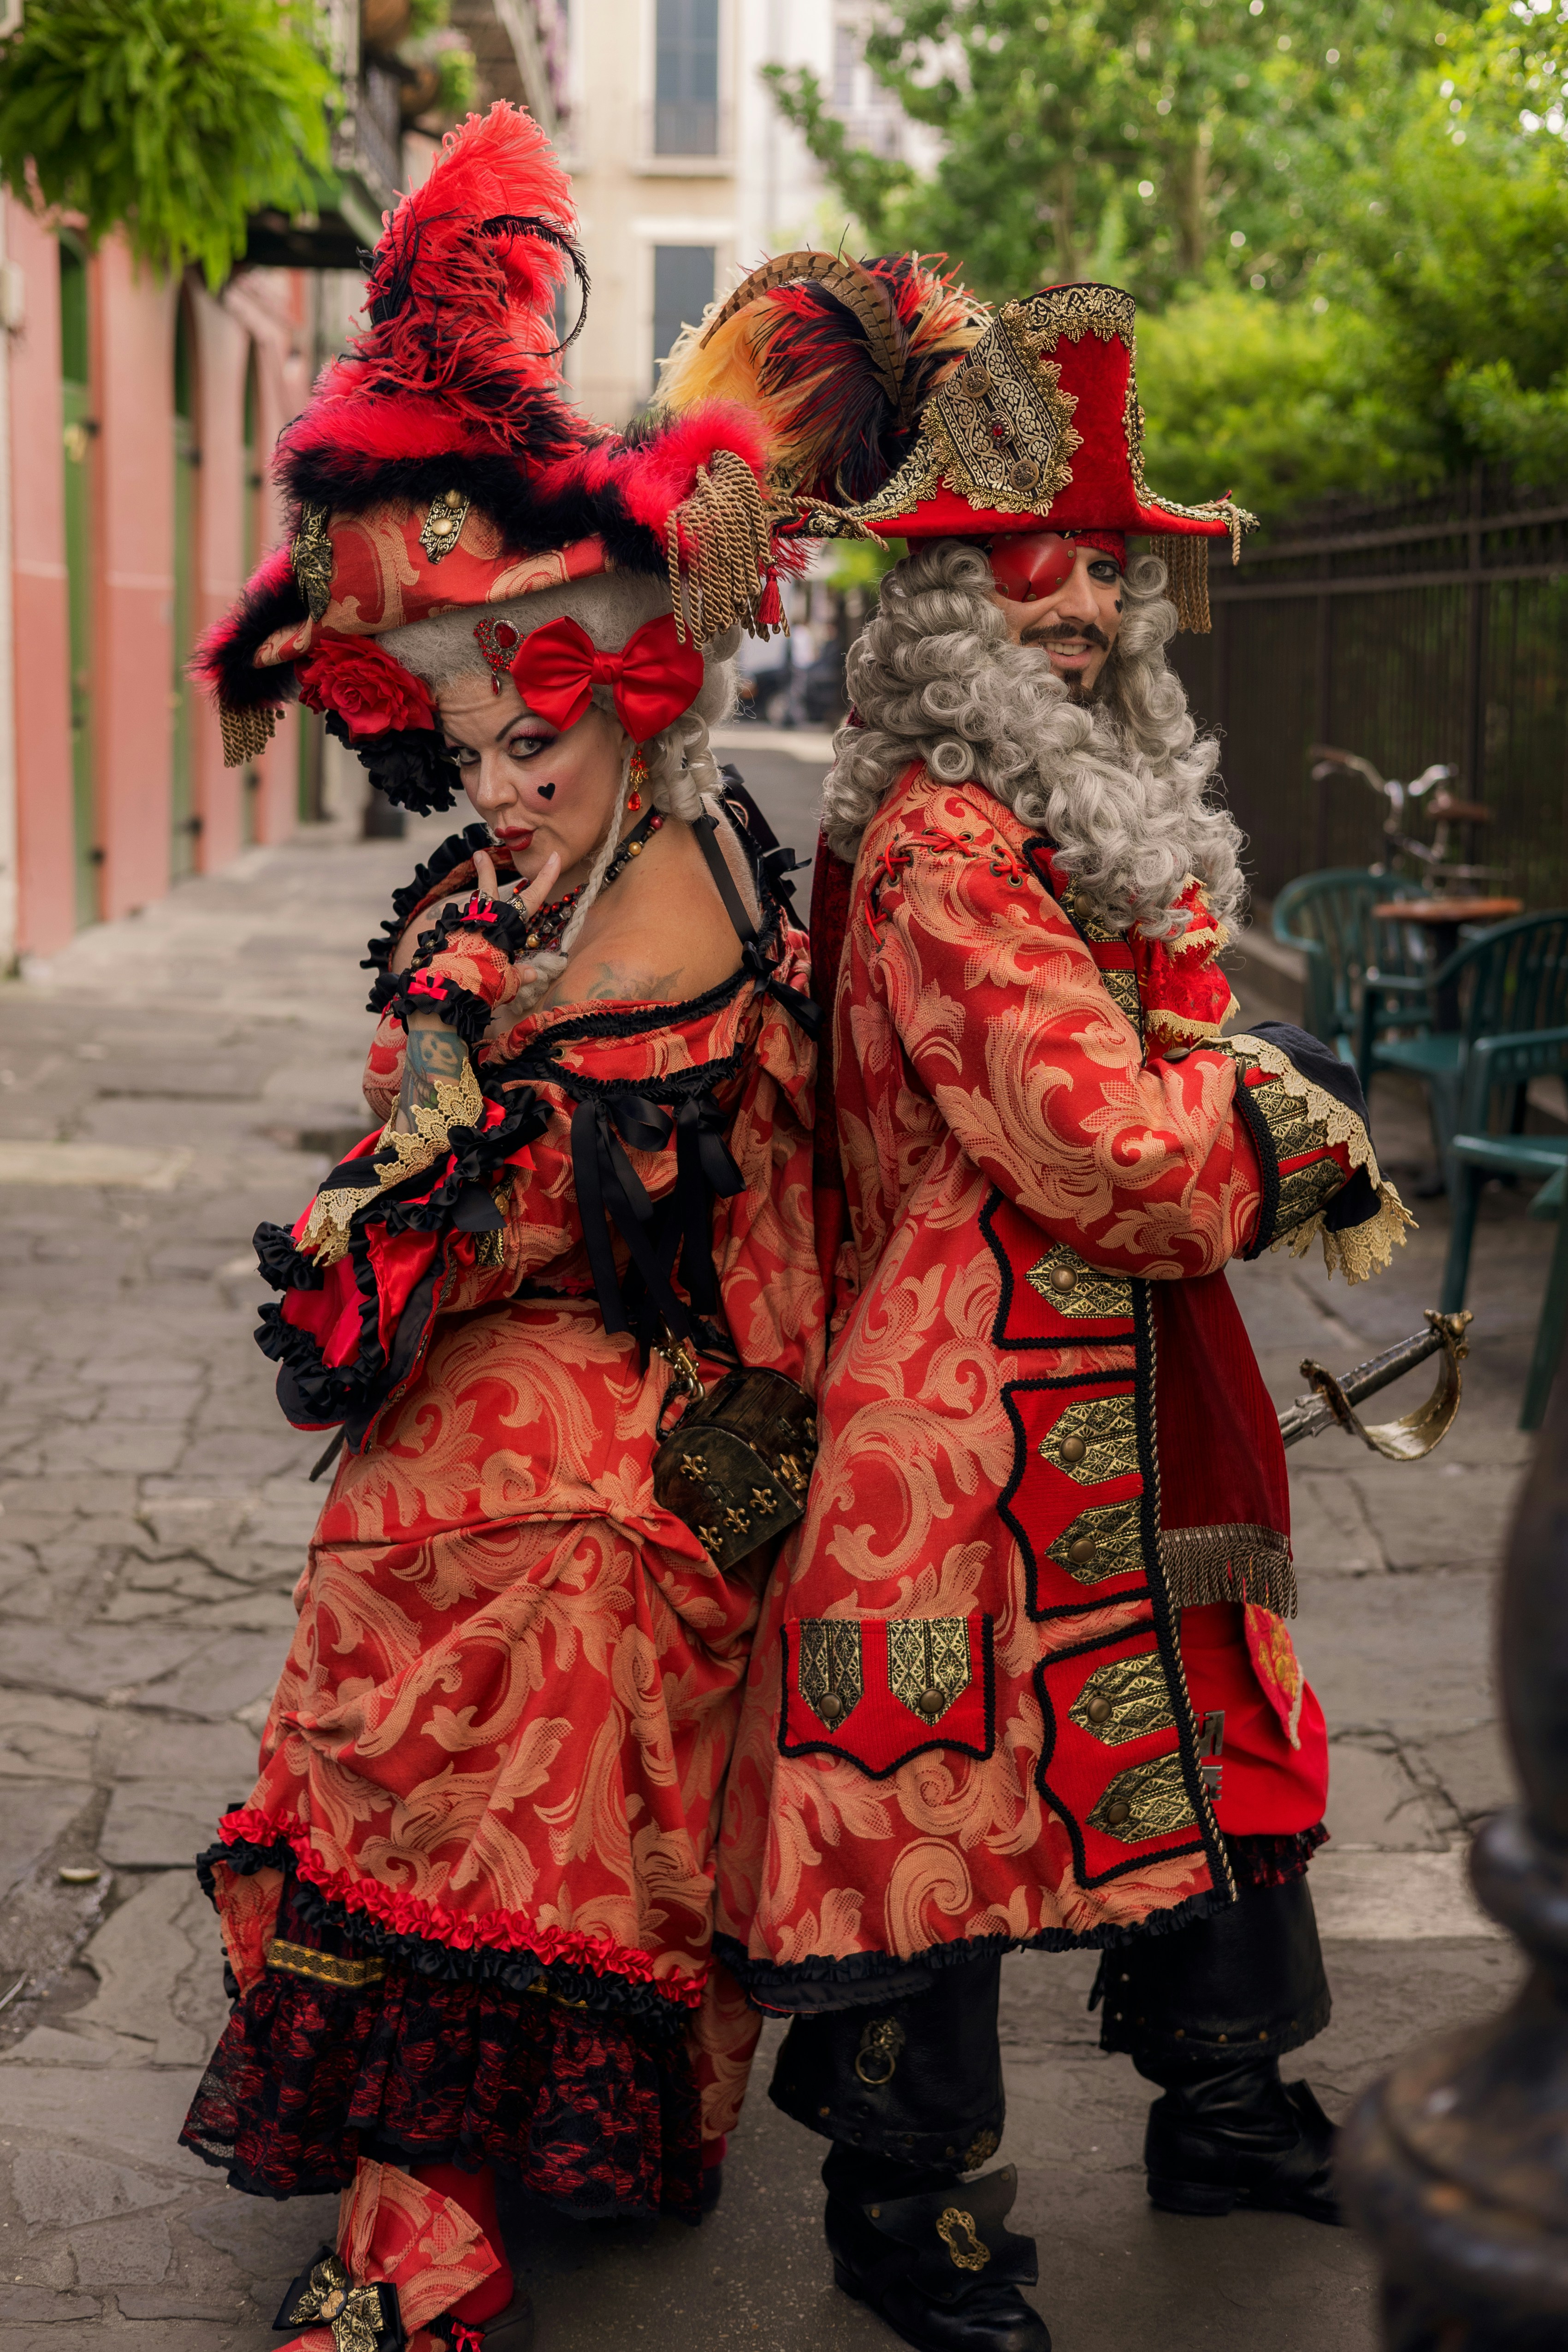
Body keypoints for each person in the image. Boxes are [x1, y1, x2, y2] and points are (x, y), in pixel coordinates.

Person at [662, 264, 1413, 2351]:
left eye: (1101, 582)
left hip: (1122, 1375)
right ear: (927, 618)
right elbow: (1108, 1144)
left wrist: (1202, 1033)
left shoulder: (1060, 833)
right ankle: (909, 2214)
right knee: (940, 1802)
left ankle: (1227, 2108)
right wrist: (1274, 1113)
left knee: (1211, 1704)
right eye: (1028, 580)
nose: (1080, 616)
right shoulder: (940, 853)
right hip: (958, 1417)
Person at [178, 107, 824, 2351]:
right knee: (419, 1505)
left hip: (663, 1412)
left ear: (640, 665)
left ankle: (422, 2221)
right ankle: (416, 2130)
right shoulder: (514, 879)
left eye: (538, 704)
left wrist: (422, 1211)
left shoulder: (669, 883)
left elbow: (591, 1214)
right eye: (468, 722)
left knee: (531, 1563)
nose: (499, 766)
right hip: (510, 1383)